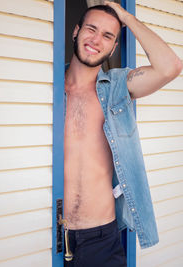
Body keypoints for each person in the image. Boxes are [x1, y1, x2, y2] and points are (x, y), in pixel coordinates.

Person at [63, 1, 182, 266]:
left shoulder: (117, 87)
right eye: (91, 29)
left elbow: (170, 66)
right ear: (75, 31)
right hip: (52, 239)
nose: (96, 40)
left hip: (101, 239)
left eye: (107, 36)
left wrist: (126, 16)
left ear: (114, 47)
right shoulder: (49, 86)